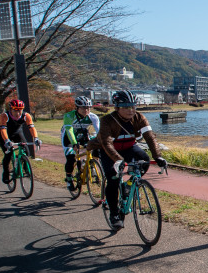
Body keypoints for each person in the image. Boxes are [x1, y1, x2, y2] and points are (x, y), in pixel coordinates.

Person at [96, 90, 167, 230]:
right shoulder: (106, 121)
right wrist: (117, 160)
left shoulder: (139, 117)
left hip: (129, 147)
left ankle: (128, 185)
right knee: (113, 179)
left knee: (144, 160)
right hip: (110, 151)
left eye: (133, 106)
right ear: (116, 107)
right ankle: (114, 214)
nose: (131, 110)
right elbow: (106, 143)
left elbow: (150, 136)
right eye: (126, 106)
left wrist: (157, 156)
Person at [61, 96, 101, 190]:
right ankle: (69, 178)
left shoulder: (93, 117)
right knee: (71, 158)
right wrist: (74, 143)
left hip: (83, 135)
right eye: (83, 108)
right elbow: (69, 130)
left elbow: (99, 131)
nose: (86, 110)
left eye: (88, 108)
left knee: (98, 147)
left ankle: (91, 164)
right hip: (68, 137)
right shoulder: (69, 116)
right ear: (77, 108)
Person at [0, 99, 40, 184]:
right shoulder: (4, 116)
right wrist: (6, 140)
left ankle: (25, 167)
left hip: (17, 132)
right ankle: (5, 173)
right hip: (5, 134)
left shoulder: (26, 115)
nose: (18, 113)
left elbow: (31, 127)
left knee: (26, 151)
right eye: (15, 111)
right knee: (8, 154)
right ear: (10, 110)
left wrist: (36, 138)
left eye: (20, 110)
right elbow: (3, 130)